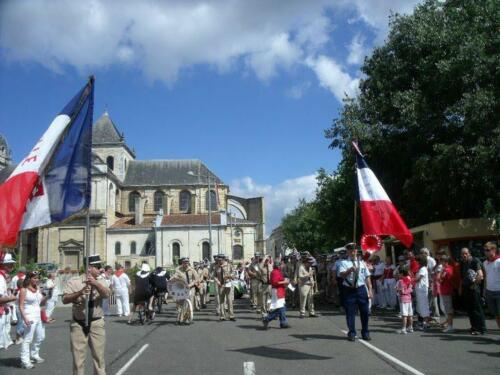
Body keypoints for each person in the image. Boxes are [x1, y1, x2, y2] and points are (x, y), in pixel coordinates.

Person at [62, 255, 111, 375]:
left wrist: (96, 284)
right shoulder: (75, 281)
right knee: (78, 360)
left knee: (99, 358)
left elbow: (106, 294)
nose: (100, 269)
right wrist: (80, 292)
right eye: (97, 267)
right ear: (90, 268)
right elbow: (65, 299)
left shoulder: (102, 280)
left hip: (96, 322)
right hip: (79, 323)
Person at [338, 243, 373, 341]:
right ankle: (352, 332)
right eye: (350, 250)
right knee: (350, 312)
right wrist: (349, 270)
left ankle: (365, 332)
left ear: (356, 251)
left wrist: (370, 290)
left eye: (354, 250)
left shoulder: (362, 263)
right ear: (348, 252)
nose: (353, 252)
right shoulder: (344, 263)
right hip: (349, 290)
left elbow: (367, 277)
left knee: (365, 312)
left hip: (361, 289)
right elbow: (342, 275)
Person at [18, 271, 48, 369]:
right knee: (28, 339)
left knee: (41, 336)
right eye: (34, 278)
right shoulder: (24, 290)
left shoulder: (37, 288)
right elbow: (21, 306)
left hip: (38, 315)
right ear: (29, 278)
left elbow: (41, 302)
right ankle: (25, 361)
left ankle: (34, 355)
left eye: (37, 278)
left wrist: (47, 296)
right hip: (29, 316)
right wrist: (24, 318)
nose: (37, 280)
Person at [459, 247, 486, 335]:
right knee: (470, 309)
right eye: (462, 254)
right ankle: (474, 327)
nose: (464, 255)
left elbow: (480, 275)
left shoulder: (475, 261)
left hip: (474, 289)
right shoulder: (463, 263)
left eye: (466, 253)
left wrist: (474, 285)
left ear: (469, 253)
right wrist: (461, 288)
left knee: (477, 309)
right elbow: (462, 277)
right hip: (466, 288)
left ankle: (481, 328)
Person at [262, 259, 290, 329]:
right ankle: (268, 319)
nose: (282, 266)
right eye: (281, 264)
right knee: (281, 308)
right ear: (278, 265)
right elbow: (274, 282)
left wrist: (284, 281)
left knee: (281, 308)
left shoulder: (277, 272)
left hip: (279, 290)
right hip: (277, 291)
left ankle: (283, 322)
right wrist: (284, 282)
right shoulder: (275, 272)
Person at [171, 257, 198, 323]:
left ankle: (187, 318)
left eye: (187, 262)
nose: (185, 264)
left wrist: (190, 285)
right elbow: (175, 276)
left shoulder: (192, 270)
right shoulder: (179, 270)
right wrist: (171, 280)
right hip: (182, 288)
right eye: (184, 262)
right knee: (180, 303)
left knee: (189, 303)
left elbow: (196, 279)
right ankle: (180, 317)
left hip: (191, 288)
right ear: (182, 263)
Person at [482, 242, 500, 341]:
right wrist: (485, 290)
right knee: (496, 314)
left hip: (499, 291)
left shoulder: (499, 261)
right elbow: (486, 277)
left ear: (494, 250)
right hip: (489, 291)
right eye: (485, 250)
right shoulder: (485, 263)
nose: (486, 252)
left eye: (488, 250)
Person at [0, 252, 17, 350]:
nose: (12, 265)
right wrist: (13, 298)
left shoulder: (3, 277)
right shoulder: (0, 277)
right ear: (4, 265)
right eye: (10, 263)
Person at [213, 255, 236, 321]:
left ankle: (231, 315)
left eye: (220, 260)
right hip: (221, 285)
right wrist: (217, 281)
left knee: (229, 300)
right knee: (221, 301)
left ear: (224, 259)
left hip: (228, 284)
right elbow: (214, 276)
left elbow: (234, 273)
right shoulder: (217, 267)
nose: (219, 261)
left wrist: (230, 276)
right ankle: (222, 316)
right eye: (218, 260)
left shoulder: (229, 265)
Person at [437, 255, 455, 332]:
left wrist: (441, 272)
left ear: (445, 262)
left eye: (442, 261)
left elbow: (439, 279)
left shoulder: (446, 270)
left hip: (447, 291)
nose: (441, 263)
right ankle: (448, 324)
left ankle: (450, 326)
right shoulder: (448, 268)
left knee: (448, 310)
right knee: (448, 309)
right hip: (446, 291)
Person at [414, 255, 431, 330]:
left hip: (423, 290)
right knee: (420, 306)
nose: (417, 262)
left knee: (424, 306)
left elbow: (417, 279)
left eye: (418, 261)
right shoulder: (420, 269)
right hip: (419, 290)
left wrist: (411, 278)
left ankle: (426, 322)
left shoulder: (423, 269)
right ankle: (423, 322)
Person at [395, 267, 413, 334]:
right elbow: (411, 289)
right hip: (409, 298)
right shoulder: (409, 279)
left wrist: (398, 290)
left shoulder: (400, 281)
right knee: (410, 314)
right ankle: (410, 327)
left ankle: (404, 328)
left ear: (402, 274)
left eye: (399, 273)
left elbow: (401, 290)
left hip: (403, 299)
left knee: (404, 315)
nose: (398, 275)